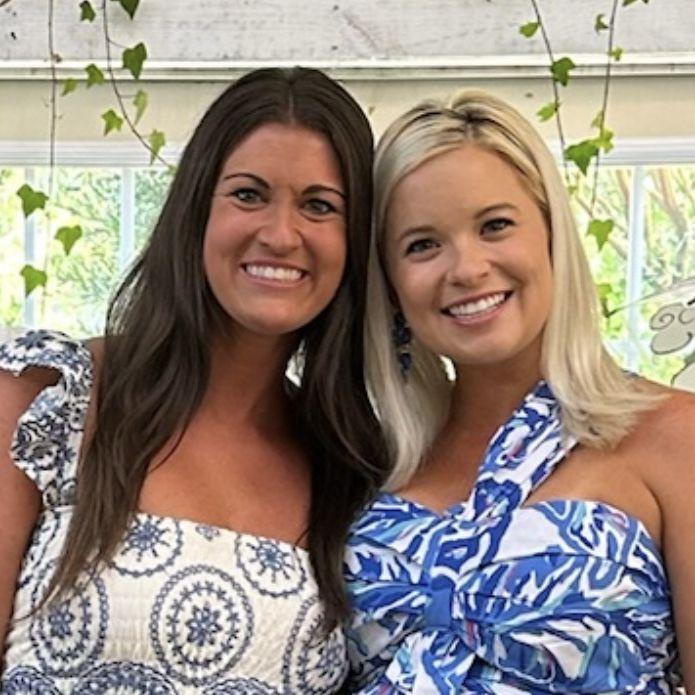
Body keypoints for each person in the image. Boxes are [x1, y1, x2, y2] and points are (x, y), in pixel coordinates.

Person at [0, 66, 386, 693]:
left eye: (319, 205)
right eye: (248, 194)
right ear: (195, 208)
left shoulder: (352, 471)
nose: (280, 234)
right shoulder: (51, 397)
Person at [344, 91, 694, 693]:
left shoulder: (673, 437)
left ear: (551, 234)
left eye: (495, 226)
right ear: (390, 284)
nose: (467, 268)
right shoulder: (365, 464)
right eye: (422, 244)